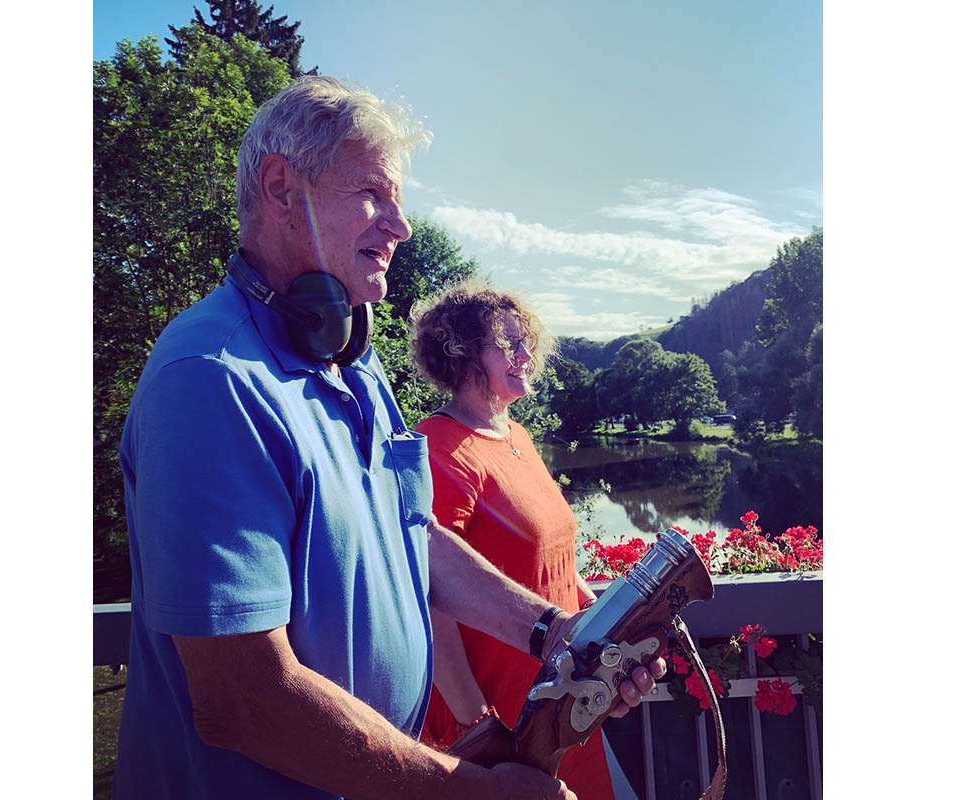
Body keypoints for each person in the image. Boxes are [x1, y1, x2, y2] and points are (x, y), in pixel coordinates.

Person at [112, 76, 664, 800]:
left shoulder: (354, 363)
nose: (400, 227)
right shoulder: (210, 380)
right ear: (282, 189)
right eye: (373, 194)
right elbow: (244, 698)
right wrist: (469, 790)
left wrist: (554, 631)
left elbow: (412, 534)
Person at [409, 281, 616, 798]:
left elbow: (551, 559)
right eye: (507, 344)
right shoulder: (439, 445)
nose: (527, 355)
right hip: (506, 730)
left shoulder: (516, 436)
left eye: (527, 343)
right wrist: (476, 723)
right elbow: (427, 589)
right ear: (459, 354)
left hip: (562, 704)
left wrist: (608, 622)